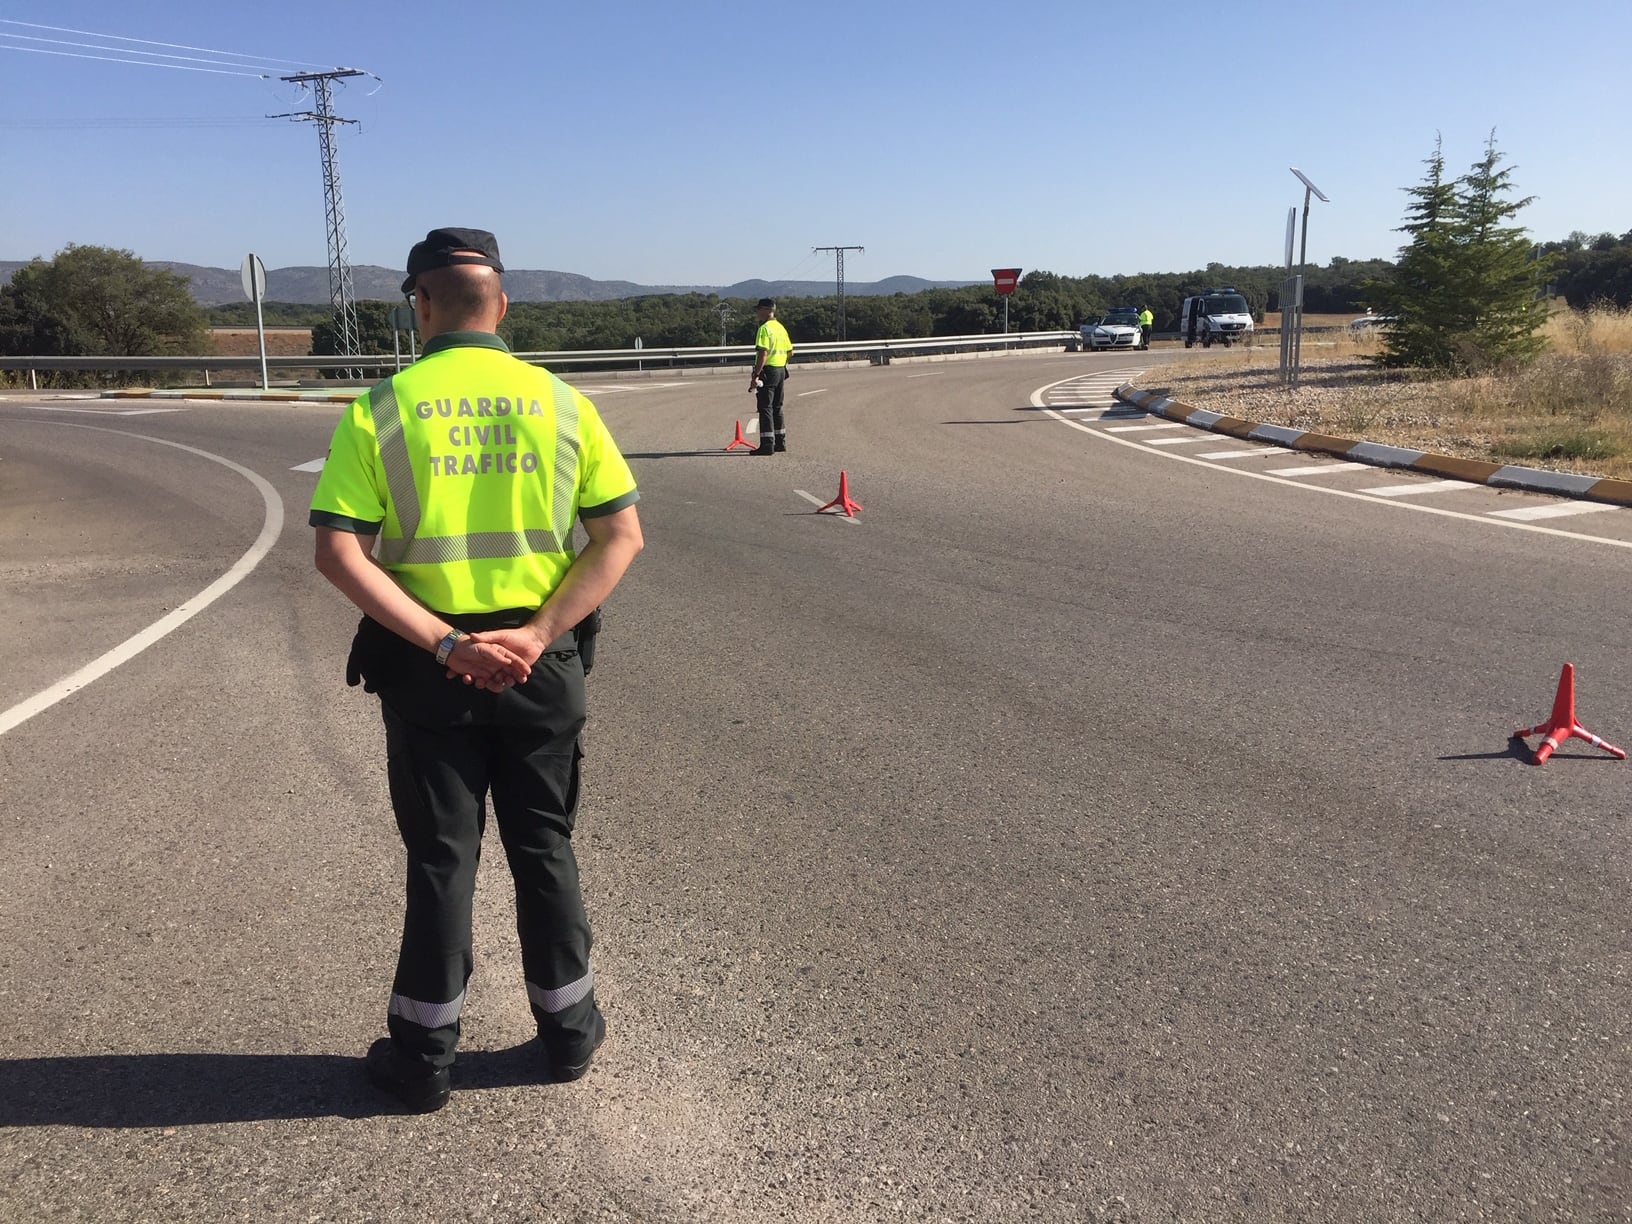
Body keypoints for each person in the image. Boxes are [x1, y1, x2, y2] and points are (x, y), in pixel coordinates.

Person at [308, 226, 643, 1113]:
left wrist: (452, 646)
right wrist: (535, 635)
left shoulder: (382, 408)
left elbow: (339, 554)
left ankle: (423, 1059)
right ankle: (569, 1035)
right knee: (545, 846)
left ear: (419, 305)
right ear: (503, 305)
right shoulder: (565, 405)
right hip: (542, 667)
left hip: (433, 671)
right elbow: (621, 537)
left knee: (442, 860)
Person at [748, 297, 794, 455]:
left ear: (767, 310)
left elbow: (763, 353)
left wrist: (756, 374)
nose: (757, 313)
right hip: (781, 370)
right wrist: (781, 362)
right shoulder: (780, 328)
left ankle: (767, 445)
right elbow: (790, 351)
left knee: (765, 407)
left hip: (768, 370)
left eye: (759, 309)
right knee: (777, 407)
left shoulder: (764, 328)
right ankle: (780, 442)